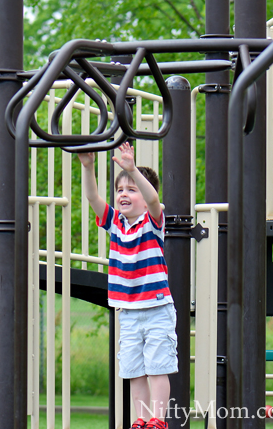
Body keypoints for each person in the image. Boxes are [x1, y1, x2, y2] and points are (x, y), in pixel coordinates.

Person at [78, 142, 177, 429]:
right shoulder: (115, 223)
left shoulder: (152, 221)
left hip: (157, 307)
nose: (124, 194)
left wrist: (132, 170)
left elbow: (155, 199)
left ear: (144, 199)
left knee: (158, 368)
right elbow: (93, 197)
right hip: (129, 311)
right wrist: (88, 167)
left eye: (131, 190)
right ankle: (141, 419)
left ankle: (158, 419)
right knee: (135, 371)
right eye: (120, 189)